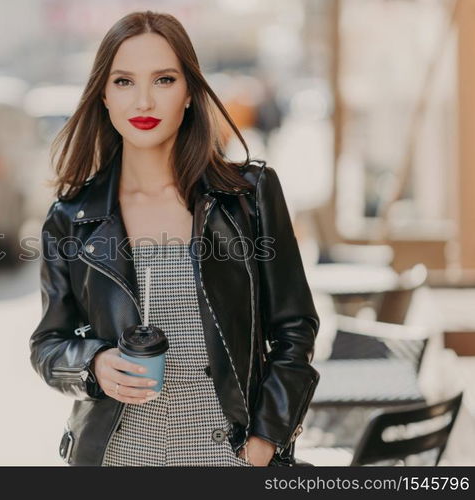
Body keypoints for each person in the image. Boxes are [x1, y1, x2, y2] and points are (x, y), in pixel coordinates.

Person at [29, 10, 320, 467]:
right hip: (117, 457)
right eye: (124, 81)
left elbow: (294, 328)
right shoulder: (71, 219)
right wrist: (94, 364)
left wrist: (265, 441)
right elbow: (49, 343)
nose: (143, 100)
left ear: (189, 93)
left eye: (163, 80)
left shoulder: (248, 196)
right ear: (103, 95)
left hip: (229, 455)